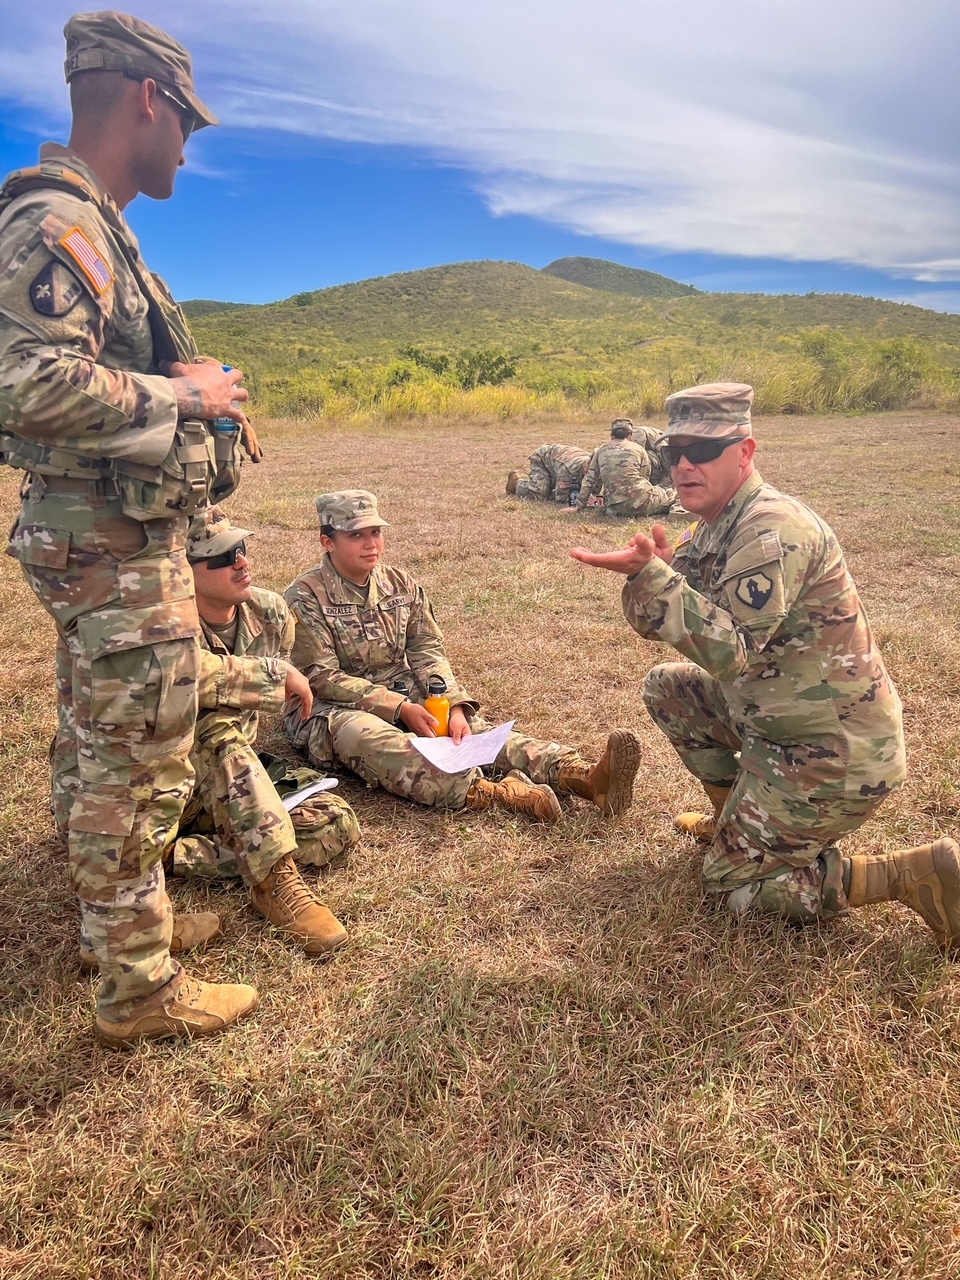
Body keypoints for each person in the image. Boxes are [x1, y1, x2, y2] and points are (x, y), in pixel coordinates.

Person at [0, 12, 265, 1047]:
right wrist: (182, 393)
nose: (189, 147)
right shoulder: (57, 225)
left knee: (96, 739)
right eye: (186, 122)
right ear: (147, 97)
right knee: (137, 758)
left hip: (104, 533)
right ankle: (138, 990)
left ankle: (113, 932)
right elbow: (22, 384)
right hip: (106, 541)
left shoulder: (90, 225)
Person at [572, 382, 960, 951]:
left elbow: (731, 649)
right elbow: (685, 626)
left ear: (745, 452)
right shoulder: (715, 524)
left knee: (731, 889)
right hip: (776, 721)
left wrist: (651, 578)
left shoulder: (771, 531)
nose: (683, 464)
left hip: (831, 751)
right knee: (669, 690)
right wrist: (658, 572)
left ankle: (913, 873)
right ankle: (735, 820)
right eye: (673, 451)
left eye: (702, 451)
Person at [77, 507, 361, 971]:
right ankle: (275, 881)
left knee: (332, 823)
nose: (242, 563)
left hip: (229, 783)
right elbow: (182, 681)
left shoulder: (269, 614)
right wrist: (270, 676)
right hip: (150, 787)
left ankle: (172, 858)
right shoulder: (150, 625)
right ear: (179, 573)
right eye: (222, 557)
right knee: (212, 727)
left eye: (242, 549)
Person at [283, 491, 642, 821]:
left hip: (404, 692)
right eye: (356, 535)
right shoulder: (305, 596)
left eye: (375, 532)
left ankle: (582, 776)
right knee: (373, 741)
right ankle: (501, 794)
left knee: (471, 734)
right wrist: (398, 707)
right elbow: (321, 677)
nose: (371, 543)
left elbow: (426, 648)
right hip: (331, 710)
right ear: (327, 541)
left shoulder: (399, 582)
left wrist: (450, 703)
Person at [570, 419, 676, 518]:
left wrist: (578, 506)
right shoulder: (639, 450)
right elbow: (644, 478)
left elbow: (589, 479)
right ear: (630, 436)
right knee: (672, 494)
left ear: (611, 436)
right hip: (641, 504)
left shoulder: (601, 450)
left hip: (612, 508)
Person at [506, 443, 591, 505]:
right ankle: (516, 483)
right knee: (541, 494)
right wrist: (583, 499)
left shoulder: (595, 468)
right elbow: (562, 497)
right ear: (585, 466)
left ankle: (546, 483)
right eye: (589, 470)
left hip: (556, 464)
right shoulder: (568, 468)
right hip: (542, 459)